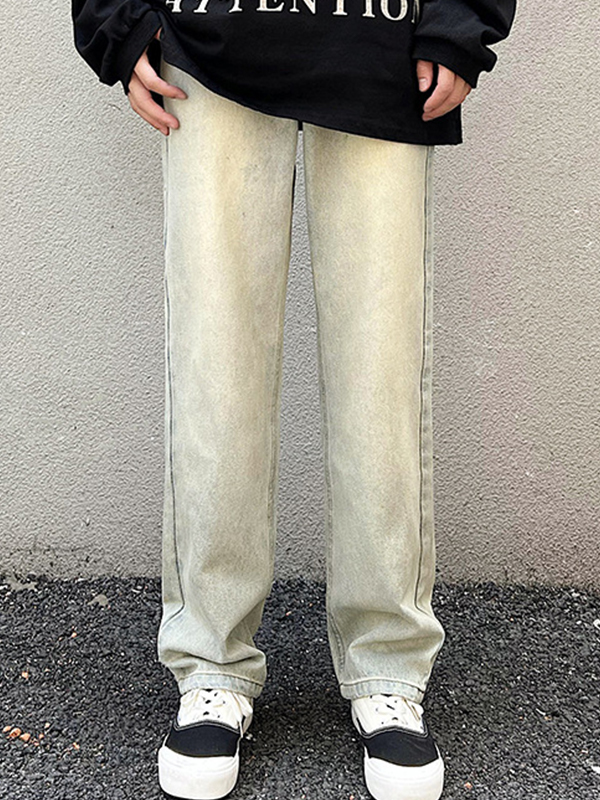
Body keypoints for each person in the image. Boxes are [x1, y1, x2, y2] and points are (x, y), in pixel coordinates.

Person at [71, 2, 517, 798]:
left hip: (382, 42)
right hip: (208, 40)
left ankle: (388, 667)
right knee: (215, 367)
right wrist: (117, 16)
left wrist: (460, 19)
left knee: (382, 374)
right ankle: (211, 664)